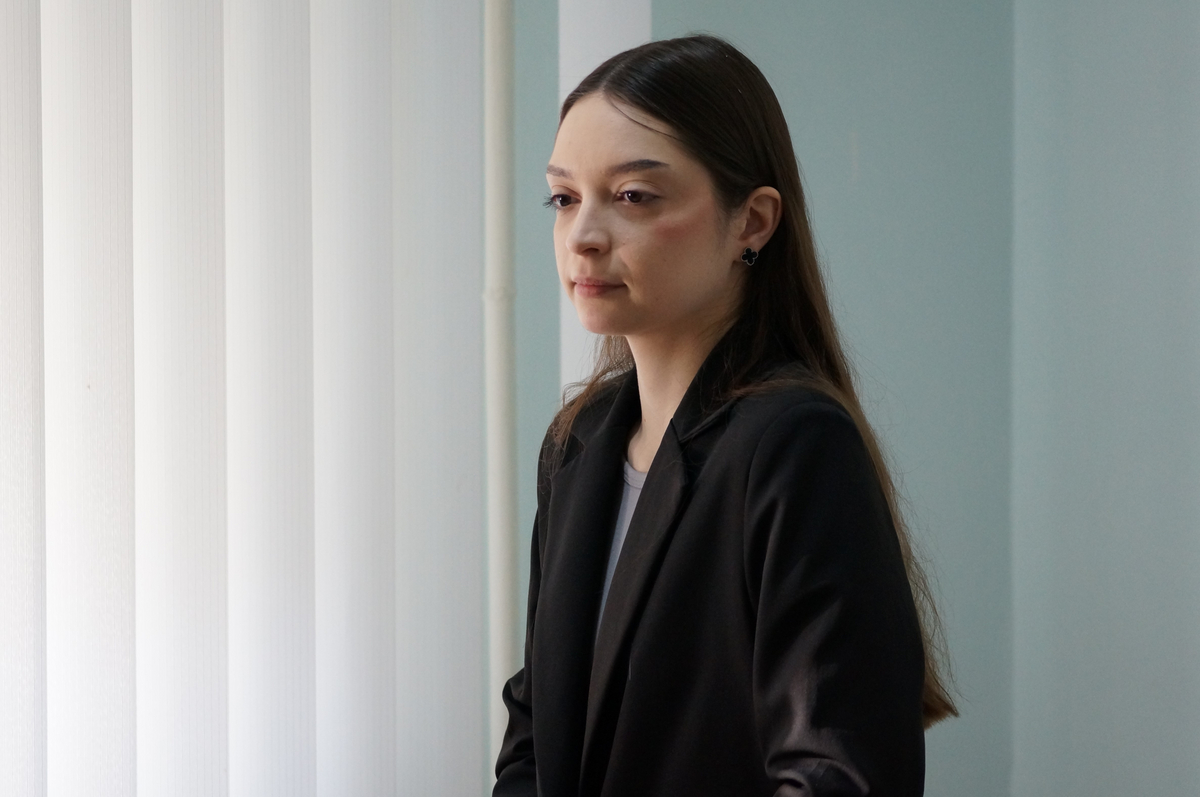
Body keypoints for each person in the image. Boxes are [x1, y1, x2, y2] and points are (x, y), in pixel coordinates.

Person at [494, 34, 956, 797]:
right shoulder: (578, 442)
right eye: (564, 197)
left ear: (753, 221)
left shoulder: (795, 443)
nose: (583, 235)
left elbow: (839, 775)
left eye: (634, 196)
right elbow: (534, 740)